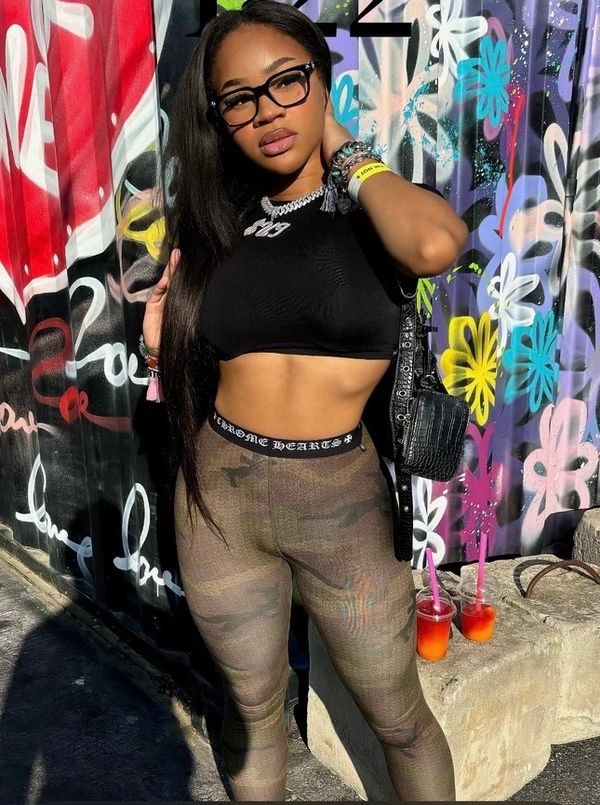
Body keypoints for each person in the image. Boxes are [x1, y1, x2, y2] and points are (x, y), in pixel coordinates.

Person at [141, 0, 468, 800]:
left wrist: (341, 146)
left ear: (322, 79)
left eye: (287, 82)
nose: (265, 111)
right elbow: (202, 360)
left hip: (339, 504)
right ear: (219, 117)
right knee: (252, 710)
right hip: (219, 500)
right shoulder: (219, 219)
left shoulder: (376, 212)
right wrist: (158, 343)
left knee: (398, 717)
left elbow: (435, 244)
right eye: (239, 98)